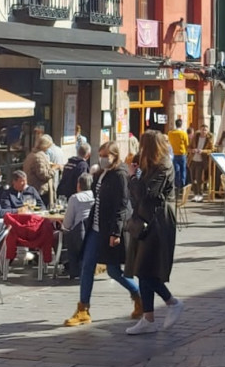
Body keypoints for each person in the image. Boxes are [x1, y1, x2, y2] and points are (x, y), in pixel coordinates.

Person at [64, 141, 142, 326]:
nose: (103, 158)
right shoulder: (101, 174)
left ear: (115, 155)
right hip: (95, 228)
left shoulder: (120, 175)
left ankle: (138, 295)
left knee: (114, 271)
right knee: (87, 266)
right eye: (100, 154)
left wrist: (115, 232)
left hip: (109, 230)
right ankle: (83, 309)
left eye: (106, 154)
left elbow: (122, 205)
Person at [124, 130, 183, 334]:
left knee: (147, 268)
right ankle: (148, 318)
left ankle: (172, 302)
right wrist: (135, 175)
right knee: (141, 270)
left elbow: (148, 194)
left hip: (158, 220)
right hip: (143, 218)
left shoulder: (164, 166)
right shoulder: (146, 164)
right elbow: (137, 196)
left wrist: (133, 178)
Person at [59, 172, 95, 280]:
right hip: (93, 230)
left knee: (59, 236)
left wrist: (63, 227)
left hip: (79, 232)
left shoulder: (75, 198)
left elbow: (68, 223)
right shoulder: (96, 196)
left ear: (78, 185)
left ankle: (68, 265)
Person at [23, 136, 58, 206]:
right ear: (45, 146)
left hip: (34, 188)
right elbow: (43, 175)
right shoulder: (38, 157)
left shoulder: (31, 154)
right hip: (40, 190)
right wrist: (54, 168)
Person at [189, 125, 211, 202]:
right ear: (200, 130)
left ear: (207, 131)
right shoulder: (195, 138)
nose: (204, 131)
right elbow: (189, 147)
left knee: (199, 178)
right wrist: (192, 150)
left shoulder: (209, 139)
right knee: (193, 178)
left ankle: (200, 194)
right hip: (193, 160)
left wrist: (202, 151)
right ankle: (195, 194)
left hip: (202, 161)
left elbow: (211, 150)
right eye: (202, 130)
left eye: (205, 130)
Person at [167, 116, 190, 194]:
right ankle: (182, 186)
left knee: (176, 170)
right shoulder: (183, 133)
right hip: (182, 153)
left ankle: (176, 184)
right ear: (181, 125)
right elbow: (187, 144)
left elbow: (169, 141)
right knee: (183, 170)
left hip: (174, 153)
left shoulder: (170, 133)